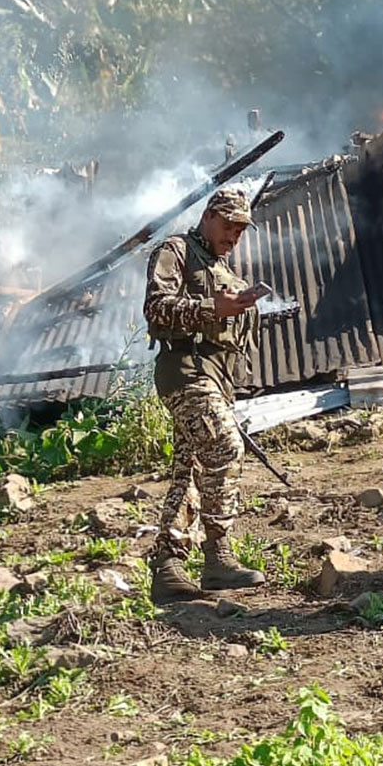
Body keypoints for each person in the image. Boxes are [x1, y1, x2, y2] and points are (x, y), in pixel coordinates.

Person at [143, 186, 269, 602]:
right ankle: (216, 555)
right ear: (209, 216)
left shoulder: (225, 271)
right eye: (229, 226)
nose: (234, 236)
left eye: (241, 230)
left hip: (216, 379)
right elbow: (156, 308)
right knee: (225, 448)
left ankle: (168, 566)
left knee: (190, 471)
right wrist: (213, 308)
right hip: (185, 372)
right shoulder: (176, 251)